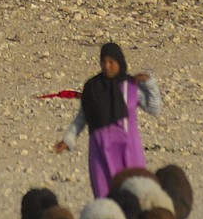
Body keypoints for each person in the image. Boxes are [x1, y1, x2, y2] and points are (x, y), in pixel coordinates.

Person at [53, 40, 162, 196]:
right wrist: (68, 139)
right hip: (101, 151)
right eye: (103, 62)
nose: (107, 66)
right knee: (105, 199)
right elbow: (82, 117)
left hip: (129, 151)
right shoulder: (92, 88)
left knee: (135, 196)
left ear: (120, 62)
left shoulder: (131, 87)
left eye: (112, 62)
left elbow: (154, 109)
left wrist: (150, 83)